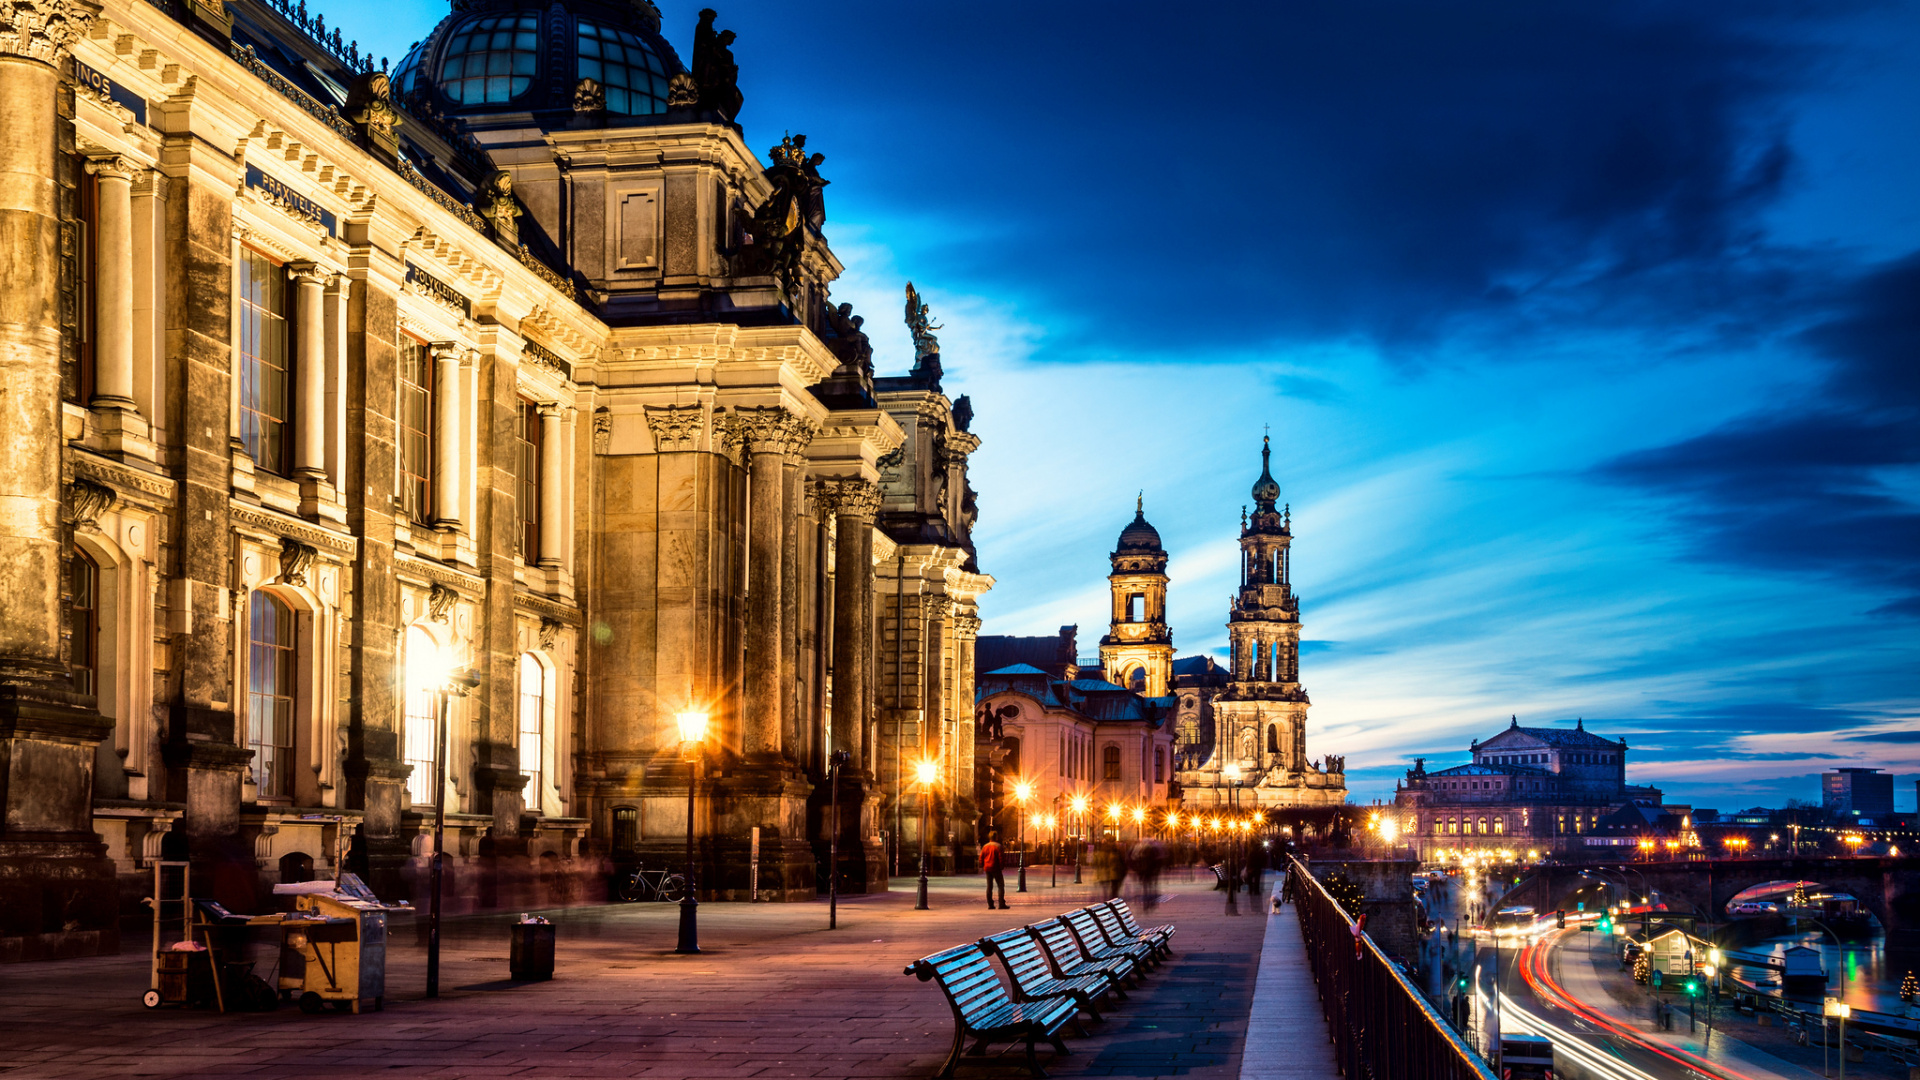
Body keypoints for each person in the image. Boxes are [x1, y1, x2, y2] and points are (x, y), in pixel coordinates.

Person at [981, 831, 1006, 909]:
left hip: (987, 868)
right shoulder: (998, 846)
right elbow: (1001, 858)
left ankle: (990, 904)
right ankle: (1001, 903)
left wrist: (983, 865)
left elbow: (981, 857)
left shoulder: (985, 846)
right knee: (1000, 885)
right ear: (996, 837)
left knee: (989, 886)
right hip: (996, 868)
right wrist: (1001, 866)